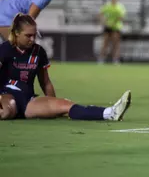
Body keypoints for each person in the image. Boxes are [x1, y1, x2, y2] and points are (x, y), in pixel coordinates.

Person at [0, 14, 131, 120]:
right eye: (28, 36)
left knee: (65, 105)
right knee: (6, 111)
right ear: (16, 33)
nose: (33, 39)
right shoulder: (5, 49)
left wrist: (52, 103)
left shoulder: (38, 52)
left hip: (28, 101)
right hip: (7, 96)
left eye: (34, 35)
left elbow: (45, 82)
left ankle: (110, 112)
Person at [98, 0, 126, 64]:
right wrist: (104, 22)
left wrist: (113, 23)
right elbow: (101, 14)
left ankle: (115, 59)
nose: (114, 1)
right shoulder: (107, 6)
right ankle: (101, 59)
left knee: (115, 44)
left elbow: (121, 17)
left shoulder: (120, 7)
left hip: (116, 27)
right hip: (108, 27)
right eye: (112, 0)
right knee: (105, 43)